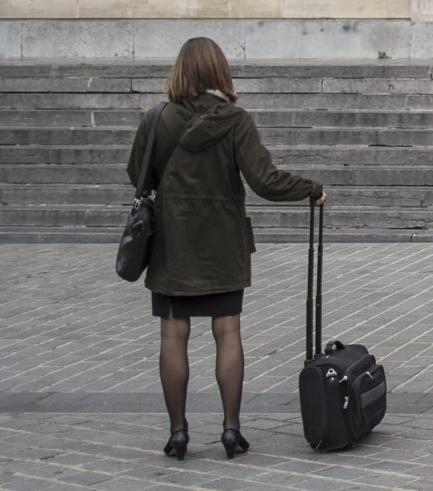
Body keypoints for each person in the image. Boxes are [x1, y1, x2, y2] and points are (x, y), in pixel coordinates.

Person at [126, 37, 325, 461]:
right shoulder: (235, 120)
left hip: (173, 242)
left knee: (173, 334)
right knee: (227, 331)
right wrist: (311, 189)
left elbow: (137, 176)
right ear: (220, 72)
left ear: (181, 71)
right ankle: (231, 430)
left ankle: (178, 432)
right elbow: (265, 181)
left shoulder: (155, 118)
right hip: (222, 241)